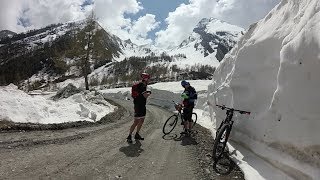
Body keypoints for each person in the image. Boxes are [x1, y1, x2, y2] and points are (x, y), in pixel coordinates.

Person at [127, 73, 151, 143]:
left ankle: (137, 134)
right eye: (148, 79)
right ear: (146, 79)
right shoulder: (142, 85)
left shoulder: (143, 85)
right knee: (136, 121)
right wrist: (149, 93)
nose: (149, 80)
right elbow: (145, 96)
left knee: (141, 120)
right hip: (138, 106)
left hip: (141, 105)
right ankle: (129, 136)